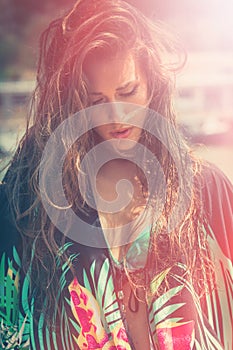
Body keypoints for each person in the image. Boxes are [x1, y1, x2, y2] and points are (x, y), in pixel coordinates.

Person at [0, 0, 232, 349]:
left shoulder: (208, 190)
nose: (116, 114)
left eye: (128, 92)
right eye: (95, 101)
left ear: (152, 86)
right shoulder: (28, 208)